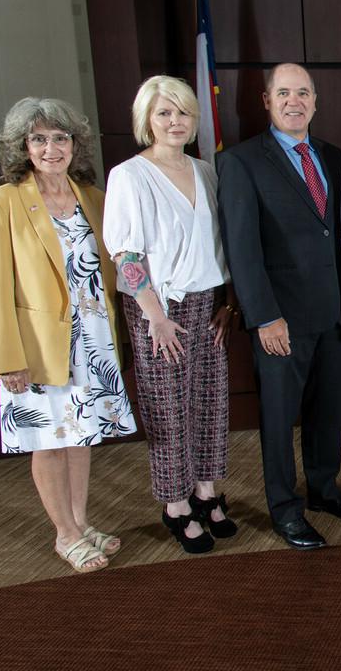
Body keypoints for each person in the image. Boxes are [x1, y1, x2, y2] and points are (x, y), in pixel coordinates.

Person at [0, 97, 137, 573]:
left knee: (81, 435)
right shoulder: (0, 203)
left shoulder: (93, 196)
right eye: (39, 139)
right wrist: (8, 357)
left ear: (75, 144)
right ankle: (64, 535)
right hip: (40, 346)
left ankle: (81, 522)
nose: (51, 148)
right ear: (22, 147)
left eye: (61, 138)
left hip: (93, 339)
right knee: (49, 439)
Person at [217, 63, 341, 550]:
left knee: (328, 412)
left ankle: (324, 489)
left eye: (303, 92)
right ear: (266, 101)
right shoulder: (242, 162)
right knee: (280, 418)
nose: (294, 101)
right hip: (279, 319)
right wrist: (263, 315)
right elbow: (243, 249)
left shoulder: (333, 156)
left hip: (333, 313)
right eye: (283, 92)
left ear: (315, 101)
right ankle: (285, 508)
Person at [103, 76, 238, 554]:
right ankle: (175, 505)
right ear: (147, 120)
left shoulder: (206, 170)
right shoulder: (130, 176)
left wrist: (227, 302)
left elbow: (221, 244)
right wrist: (155, 317)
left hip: (208, 303)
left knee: (209, 401)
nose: (175, 121)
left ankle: (206, 492)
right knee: (168, 410)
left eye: (182, 112)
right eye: (164, 113)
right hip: (157, 307)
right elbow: (127, 255)